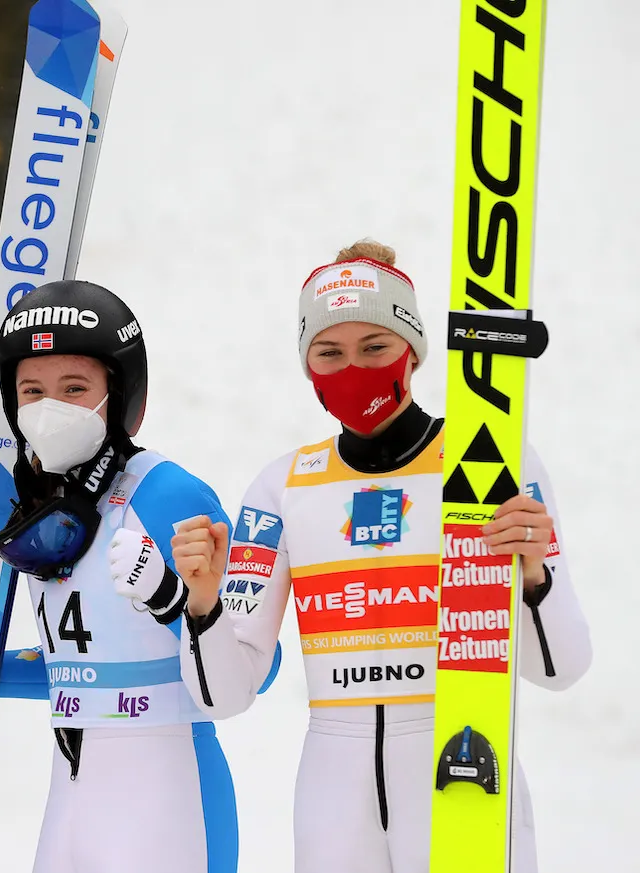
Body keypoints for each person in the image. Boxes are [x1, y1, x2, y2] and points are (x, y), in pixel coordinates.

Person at [178, 240, 592, 873]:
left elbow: (562, 667)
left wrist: (534, 574)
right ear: (308, 365)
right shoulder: (281, 487)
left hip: (461, 762)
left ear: (412, 351)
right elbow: (225, 696)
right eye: (329, 352)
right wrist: (203, 604)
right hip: (333, 783)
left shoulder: (489, 461)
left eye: (374, 347)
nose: (353, 369)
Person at [0, 279, 279, 873]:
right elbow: (79, 667)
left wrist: (170, 597)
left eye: (75, 388)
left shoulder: (166, 493)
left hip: (167, 794)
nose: (50, 408)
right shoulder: (39, 506)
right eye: (32, 391)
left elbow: (256, 667)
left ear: (120, 393)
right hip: (71, 792)